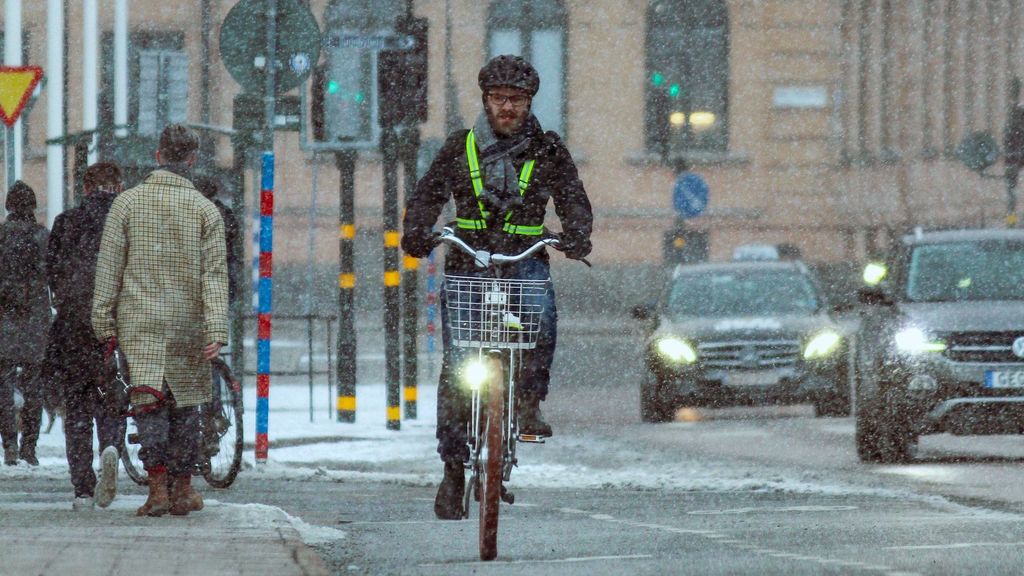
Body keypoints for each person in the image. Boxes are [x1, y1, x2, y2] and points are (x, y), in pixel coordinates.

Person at [401, 55, 593, 519]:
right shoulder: (457, 147)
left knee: (541, 321)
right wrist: (417, 232)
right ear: (485, 100)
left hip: (523, 260)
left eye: (517, 100)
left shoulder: (548, 149)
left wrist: (577, 234)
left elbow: (572, 196)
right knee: (457, 365)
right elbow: (427, 195)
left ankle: (528, 403)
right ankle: (452, 468)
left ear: (529, 103)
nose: (507, 107)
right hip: (470, 262)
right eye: (499, 98)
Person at [91, 124, 229, 517]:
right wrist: (216, 327)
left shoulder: (127, 204)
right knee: (187, 406)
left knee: (148, 402)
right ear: (192, 160)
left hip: (140, 321)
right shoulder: (206, 210)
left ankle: (156, 490)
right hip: (189, 322)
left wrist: (103, 320)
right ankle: (183, 489)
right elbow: (214, 275)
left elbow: (109, 269)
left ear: (157, 156)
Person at [46, 162, 127, 509]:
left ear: (86, 189)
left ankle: (82, 486)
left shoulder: (66, 222)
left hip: (73, 324)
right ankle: (110, 443)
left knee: (77, 402)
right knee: (113, 392)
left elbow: (52, 271)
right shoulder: (126, 222)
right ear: (118, 188)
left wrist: (66, 300)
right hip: (115, 321)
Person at [0, 181, 51, 466]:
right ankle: (29, 446)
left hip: (4, 319)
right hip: (35, 320)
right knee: (34, 386)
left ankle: (8, 443)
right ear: (32, 206)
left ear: (9, 206)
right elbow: (52, 273)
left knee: (3, 385)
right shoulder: (42, 236)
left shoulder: (1, 237)